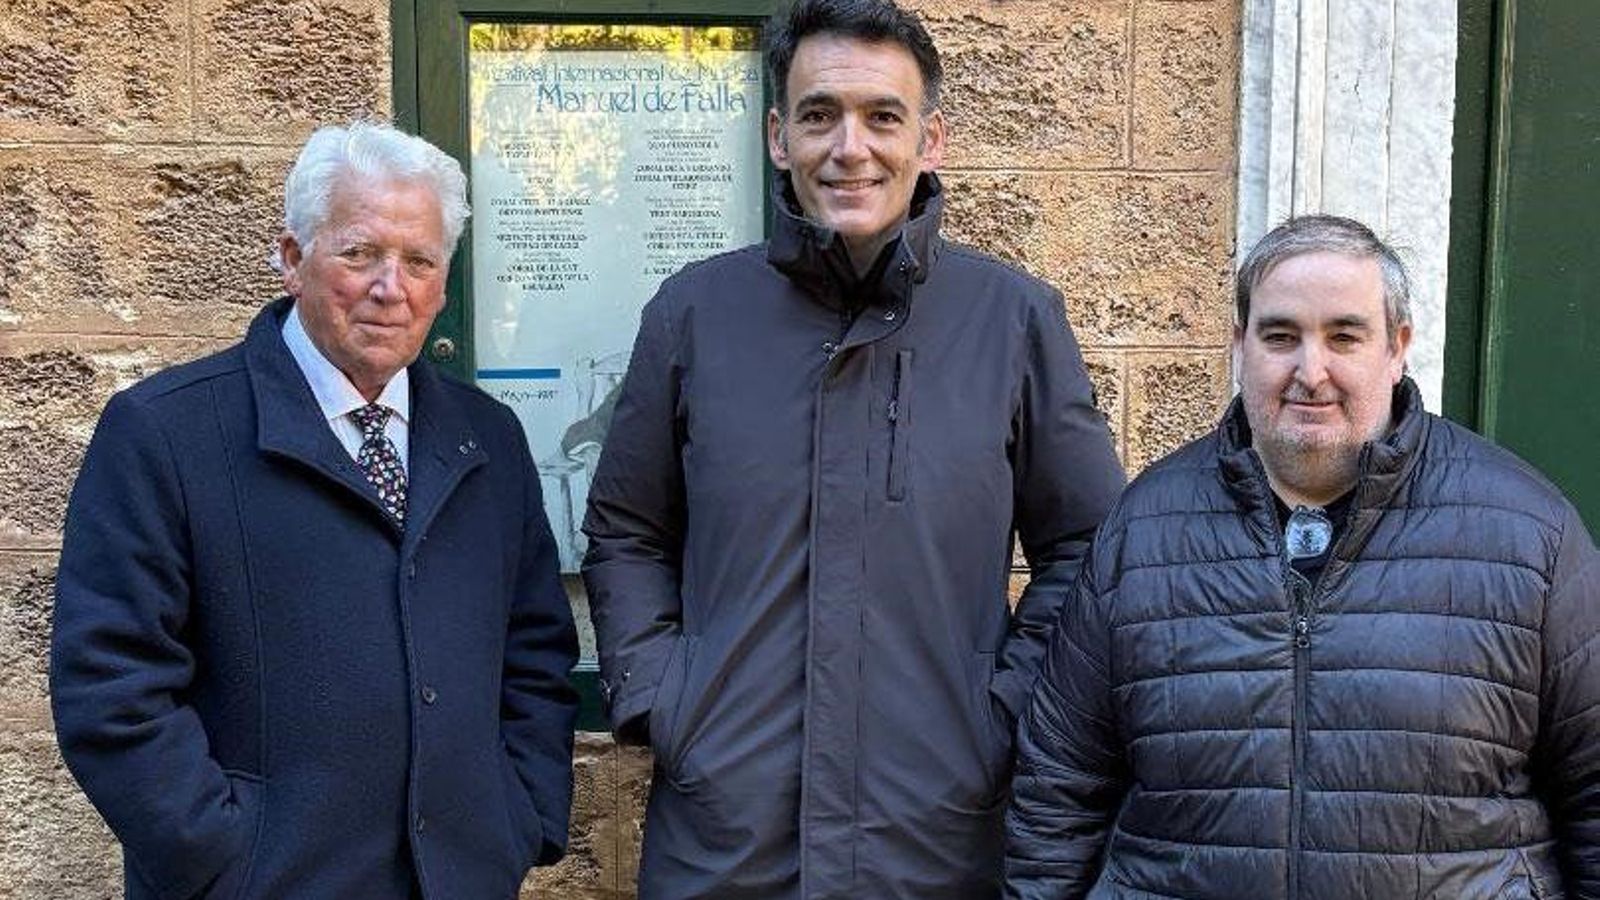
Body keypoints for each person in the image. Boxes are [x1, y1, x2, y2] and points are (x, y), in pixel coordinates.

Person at [581, 0, 1126, 895]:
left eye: (883, 117)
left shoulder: (1013, 321)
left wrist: (1004, 706)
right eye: (819, 114)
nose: (851, 148)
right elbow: (627, 528)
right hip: (729, 834)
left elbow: (1092, 547)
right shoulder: (693, 316)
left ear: (931, 137)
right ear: (776, 135)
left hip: (933, 835)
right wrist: (663, 698)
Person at [50, 120, 579, 900]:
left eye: (419, 261)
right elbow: (110, 685)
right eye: (359, 252)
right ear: (293, 258)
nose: (389, 287)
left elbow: (535, 652)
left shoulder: (486, 439)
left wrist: (519, 816)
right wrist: (222, 859)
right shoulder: (166, 433)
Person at [1003, 214, 1600, 899]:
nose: (1309, 371)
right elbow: (1060, 787)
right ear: (1239, 346)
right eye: (1280, 336)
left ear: (1397, 347)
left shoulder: (1526, 532)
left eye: (1344, 336)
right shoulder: (1145, 531)